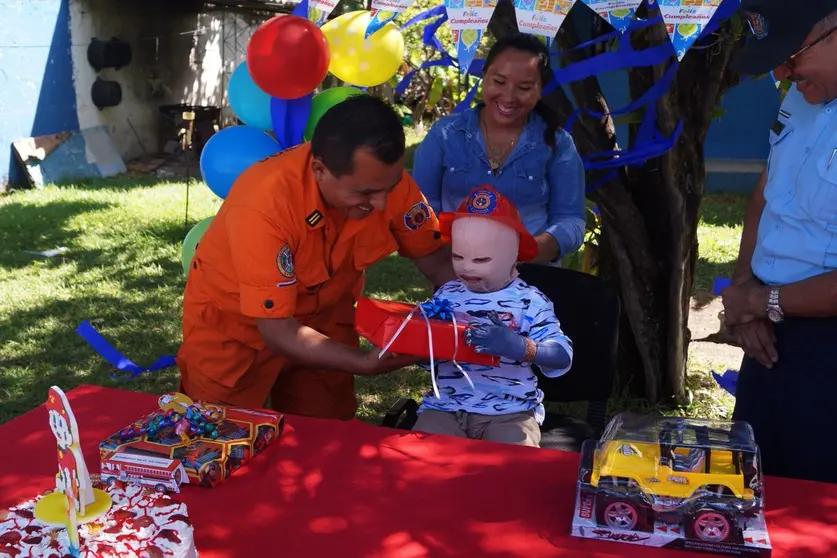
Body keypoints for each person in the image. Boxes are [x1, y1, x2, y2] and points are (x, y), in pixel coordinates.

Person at [177, 95, 456, 420]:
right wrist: (365, 363)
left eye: (390, 187)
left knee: (323, 439)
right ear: (319, 169)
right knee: (215, 437)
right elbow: (278, 331)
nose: (381, 204)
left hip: (325, 323)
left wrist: (486, 306)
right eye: (364, 194)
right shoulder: (264, 203)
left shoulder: (385, 182)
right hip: (236, 332)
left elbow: (436, 260)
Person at [722, 0, 837, 483]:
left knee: (818, 506)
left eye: (793, 54)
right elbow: (765, 195)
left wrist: (760, 300)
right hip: (767, 335)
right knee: (749, 489)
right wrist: (747, 290)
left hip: (827, 348)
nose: (783, 71)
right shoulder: (800, 96)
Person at [413, 186, 573, 447]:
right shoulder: (446, 295)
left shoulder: (530, 302)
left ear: (514, 256)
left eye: (481, 259)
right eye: (458, 256)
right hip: (445, 408)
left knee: (511, 468)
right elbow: (425, 357)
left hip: (510, 413)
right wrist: (419, 344)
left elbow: (562, 355)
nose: (466, 267)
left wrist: (522, 347)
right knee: (423, 458)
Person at [411, 33, 586, 265]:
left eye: (524, 87)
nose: (509, 96)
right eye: (499, 82)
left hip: (531, 280)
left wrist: (526, 252)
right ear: (484, 76)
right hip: (456, 277)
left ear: (540, 90)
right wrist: (451, 263)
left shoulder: (558, 144)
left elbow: (571, 220)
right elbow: (421, 208)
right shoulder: (446, 135)